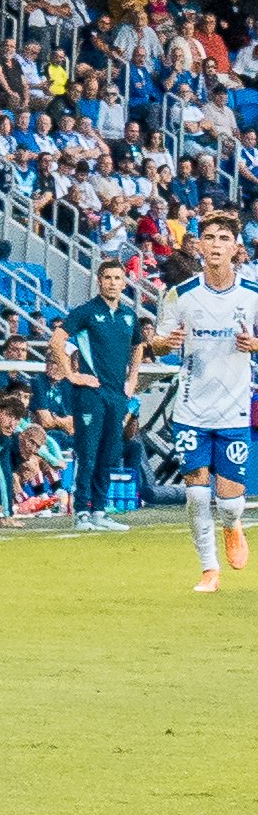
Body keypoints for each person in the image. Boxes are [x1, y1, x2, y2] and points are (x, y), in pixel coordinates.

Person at [145, 211, 256, 594]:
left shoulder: (252, 295)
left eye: (223, 238)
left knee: (227, 503)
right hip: (191, 408)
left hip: (234, 409)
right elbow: (156, 343)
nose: (215, 245)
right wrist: (164, 344)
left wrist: (255, 345)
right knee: (195, 492)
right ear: (199, 244)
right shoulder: (180, 295)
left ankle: (232, 524)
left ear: (235, 247)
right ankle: (209, 569)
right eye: (208, 237)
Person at [58, 255, 147, 521]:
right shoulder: (86, 312)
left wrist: (132, 380)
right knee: (88, 451)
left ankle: (99, 511)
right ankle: (82, 512)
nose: (112, 282)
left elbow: (138, 346)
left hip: (116, 394)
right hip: (90, 393)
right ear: (99, 282)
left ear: (124, 283)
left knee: (109, 452)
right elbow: (57, 340)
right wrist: (72, 375)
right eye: (107, 278)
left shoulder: (129, 316)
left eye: (117, 278)